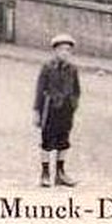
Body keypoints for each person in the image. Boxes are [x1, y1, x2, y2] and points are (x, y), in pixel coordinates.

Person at [34, 33, 82, 188]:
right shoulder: (48, 67)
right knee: (47, 141)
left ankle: (60, 173)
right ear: (55, 51)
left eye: (68, 50)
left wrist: (73, 103)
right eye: (62, 50)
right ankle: (45, 173)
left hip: (66, 109)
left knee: (64, 140)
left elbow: (77, 89)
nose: (65, 53)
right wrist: (36, 111)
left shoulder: (73, 69)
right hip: (50, 108)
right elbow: (40, 90)